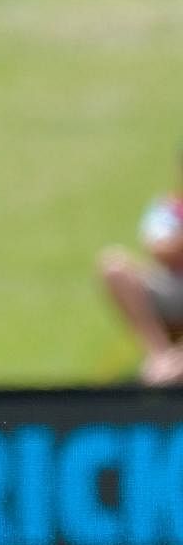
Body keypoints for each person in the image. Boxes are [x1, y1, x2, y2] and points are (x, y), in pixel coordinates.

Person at [99, 156, 183, 385]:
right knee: (114, 266)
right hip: (172, 286)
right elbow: (159, 249)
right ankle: (161, 357)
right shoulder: (169, 208)